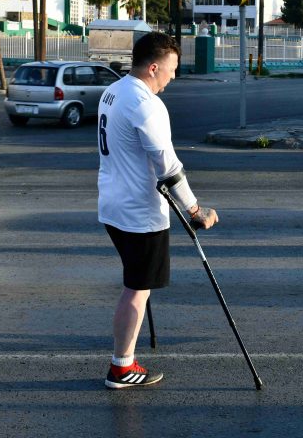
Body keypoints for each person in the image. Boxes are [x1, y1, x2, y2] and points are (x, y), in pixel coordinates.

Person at [97, 32, 218, 389]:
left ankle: (125, 357)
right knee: (137, 287)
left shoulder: (113, 91)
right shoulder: (145, 104)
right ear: (153, 68)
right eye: (171, 69)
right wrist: (195, 210)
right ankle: (122, 367)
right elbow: (169, 168)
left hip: (113, 205)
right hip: (139, 213)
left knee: (138, 283)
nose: (173, 77)